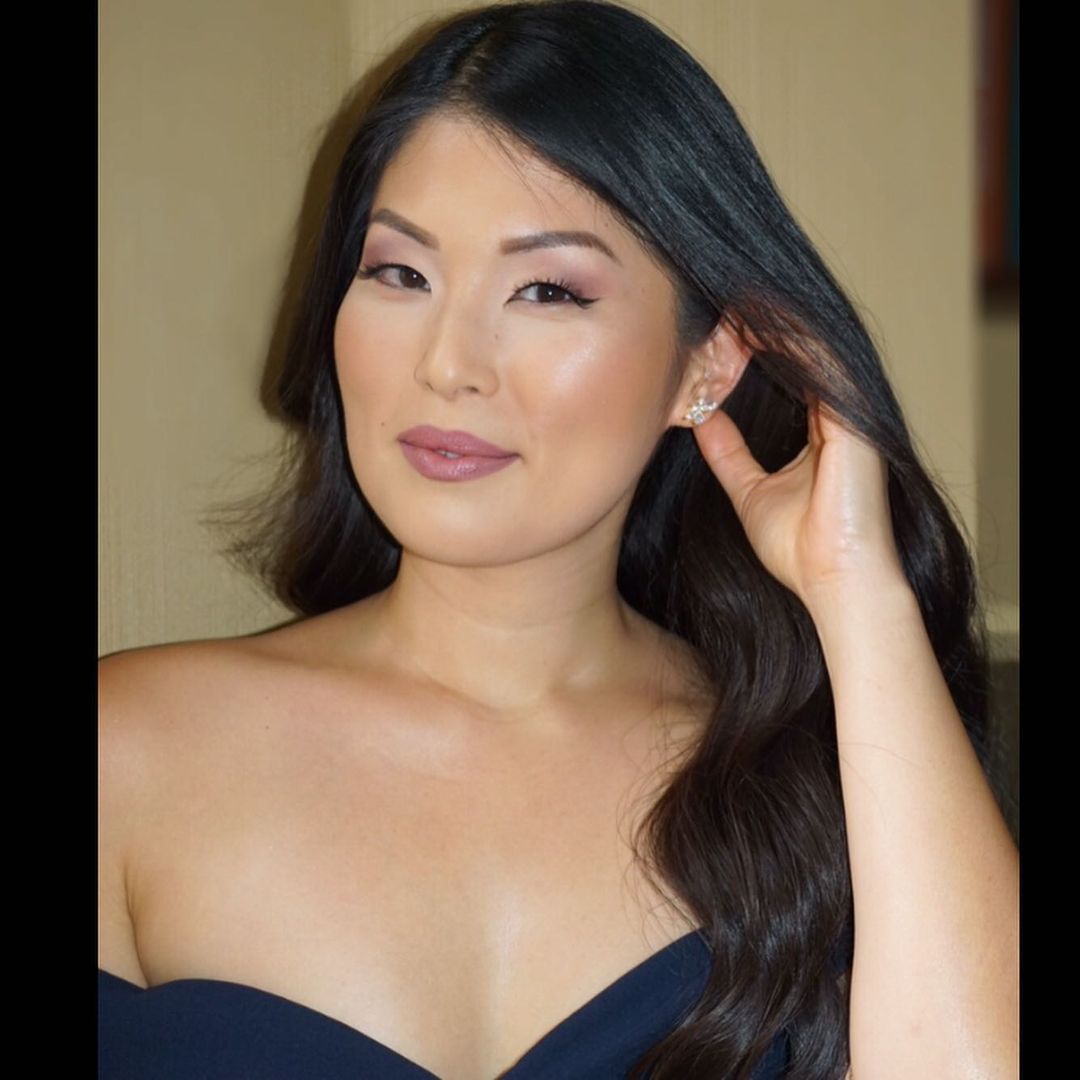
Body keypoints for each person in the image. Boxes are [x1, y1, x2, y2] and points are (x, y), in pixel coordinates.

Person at [97, 1, 1019, 1077]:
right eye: (400, 274)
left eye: (547, 290)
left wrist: (857, 591)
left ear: (709, 364)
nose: (448, 364)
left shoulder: (830, 776)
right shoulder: (124, 750)